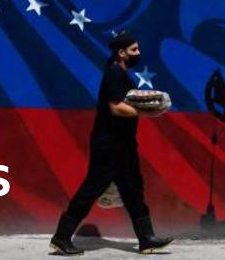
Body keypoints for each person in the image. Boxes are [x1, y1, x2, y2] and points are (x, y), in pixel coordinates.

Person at [50, 31, 173, 255]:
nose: (138, 53)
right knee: (90, 190)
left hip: (123, 144)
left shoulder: (122, 73)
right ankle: (61, 237)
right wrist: (148, 112)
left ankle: (146, 238)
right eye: (134, 50)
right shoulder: (115, 73)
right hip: (109, 145)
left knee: (133, 190)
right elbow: (115, 107)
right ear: (121, 52)